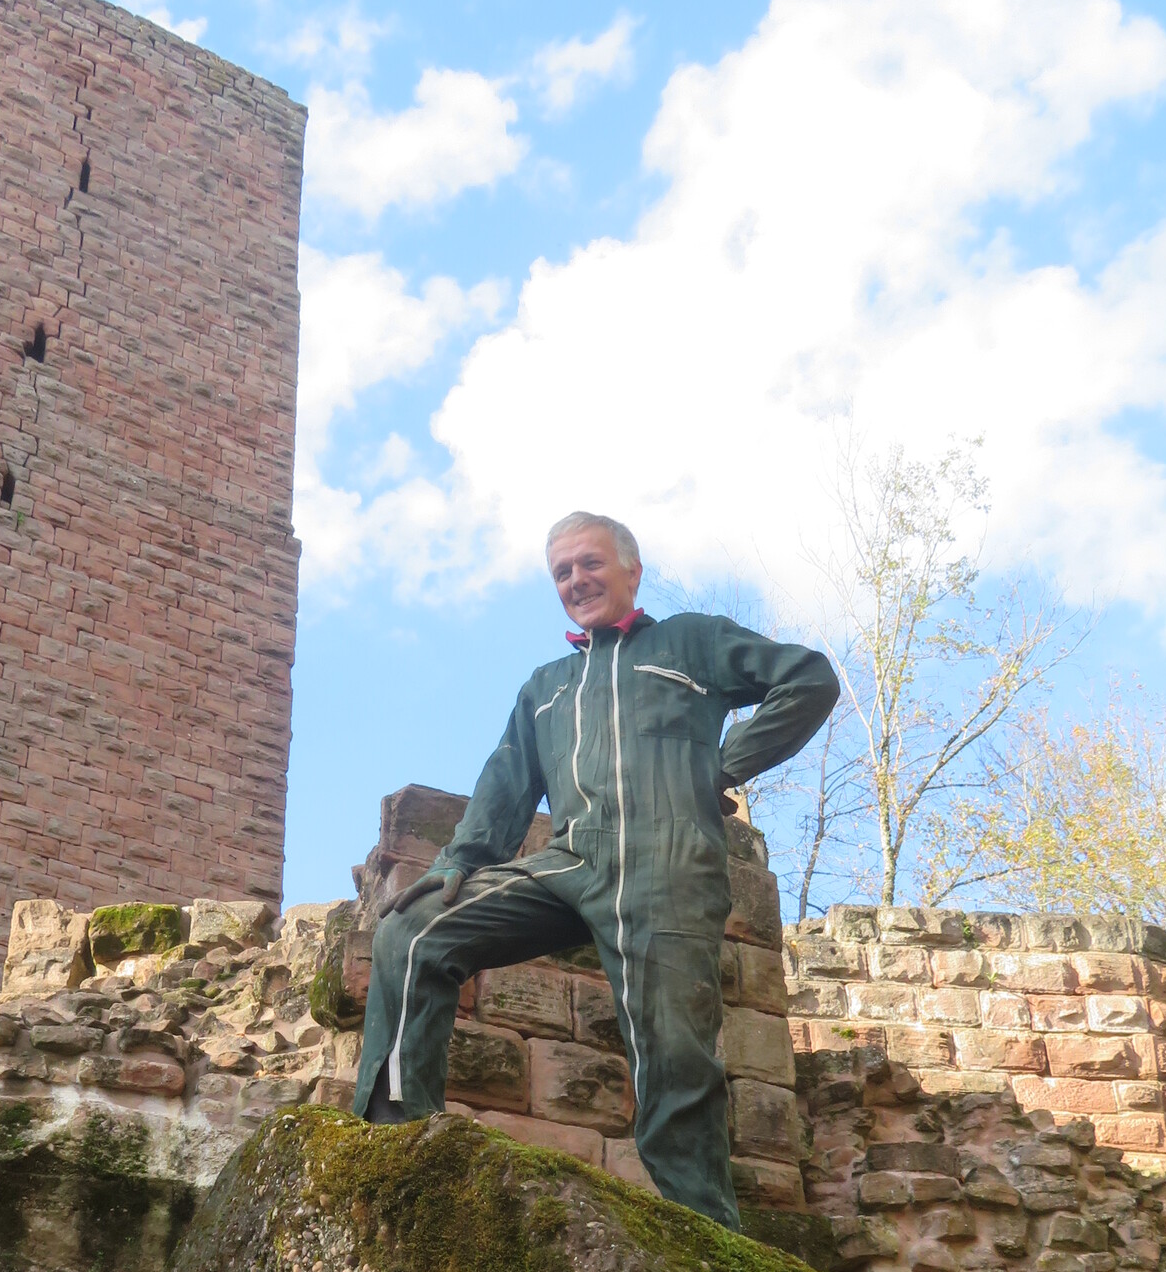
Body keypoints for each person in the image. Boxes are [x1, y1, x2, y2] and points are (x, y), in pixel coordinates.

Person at [352, 510, 839, 1228]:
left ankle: (710, 1237)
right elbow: (505, 784)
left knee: (674, 1055)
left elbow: (809, 678)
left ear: (631, 571)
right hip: (571, 859)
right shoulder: (546, 687)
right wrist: (460, 859)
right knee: (413, 930)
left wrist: (723, 766)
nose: (576, 580)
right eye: (562, 572)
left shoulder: (691, 642)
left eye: (590, 563)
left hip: (667, 863)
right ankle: (396, 1148)